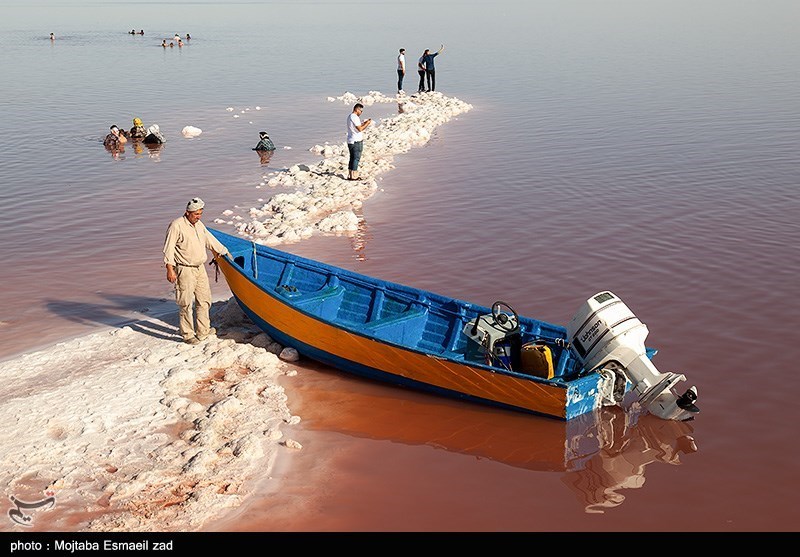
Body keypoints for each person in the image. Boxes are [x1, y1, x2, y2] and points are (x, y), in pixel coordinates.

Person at [163, 197, 230, 345]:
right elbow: (168, 249)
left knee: (204, 300)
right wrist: (169, 269)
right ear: (187, 212)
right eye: (195, 214)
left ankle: (203, 331)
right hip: (184, 269)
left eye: (200, 214)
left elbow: (210, 240)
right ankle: (187, 334)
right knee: (185, 303)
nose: (198, 217)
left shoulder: (199, 225)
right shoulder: (176, 226)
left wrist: (226, 252)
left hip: (200, 269)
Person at [346, 103, 371, 181]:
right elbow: (360, 129)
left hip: (351, 140)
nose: (361, 112)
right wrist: (367, 123)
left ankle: (351, 175)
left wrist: (364, 123)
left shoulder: (350, 116)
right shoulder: (354, 117)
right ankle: (354, 176)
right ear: (357, 109)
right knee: (356, 158)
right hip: (356, 141)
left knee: (352, 158)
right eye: (361, 111)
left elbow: (357, 127)